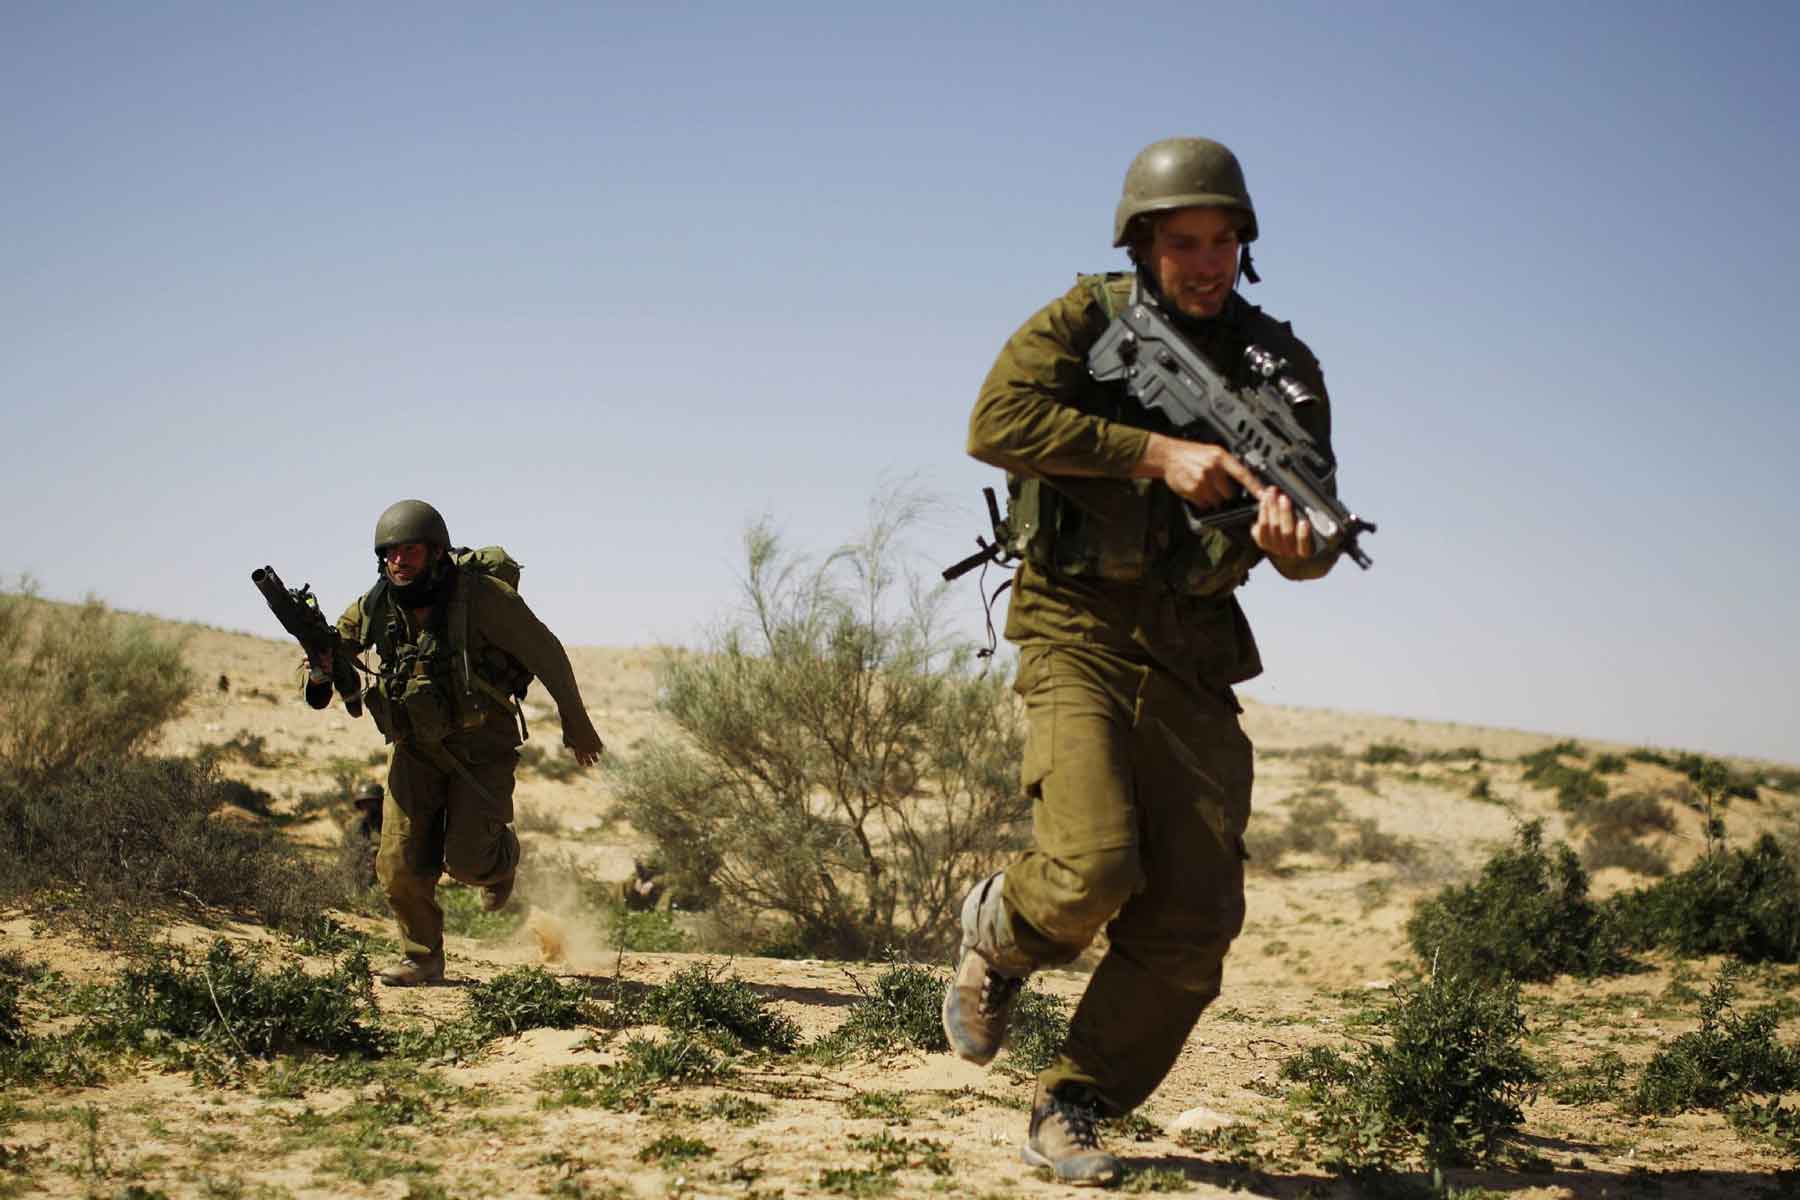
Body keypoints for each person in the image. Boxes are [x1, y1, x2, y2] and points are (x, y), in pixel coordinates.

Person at [943, 137, 1344, 1185]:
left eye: (1224, 242)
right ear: (1143, 243)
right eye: (1184, 243)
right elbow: (993, 420)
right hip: (1076, 622)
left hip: (1194, 649)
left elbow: (1306, 544)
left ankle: (1075, 1099)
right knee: (1091, 864)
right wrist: (1155, 453)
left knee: (1196, 916)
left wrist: (1293, 547)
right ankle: (1002, 935)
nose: (1206, 262)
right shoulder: (1085, 321)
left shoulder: (1282, 370)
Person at [300, 499, 606, 986]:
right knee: (398, 862)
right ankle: (422, 957)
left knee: (468, 861)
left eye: (411, 551)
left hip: (481, 745)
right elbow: (335, 659)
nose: (399, 562)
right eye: (390, 553)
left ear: (437, 552)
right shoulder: (375, 604)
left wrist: (577, 723)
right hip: (414, 747)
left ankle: (500, 862)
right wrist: (319, 663)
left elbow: (546, 652)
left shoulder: (482, 598)